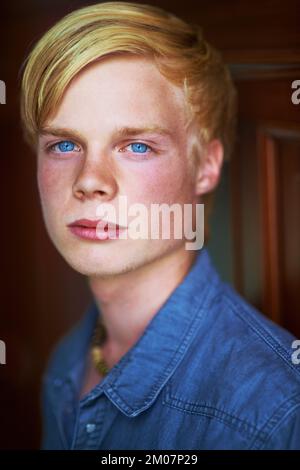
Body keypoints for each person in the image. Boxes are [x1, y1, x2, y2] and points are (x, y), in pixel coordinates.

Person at [20, 2, 300, 450]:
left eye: (136, 146)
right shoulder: (67, 361)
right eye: (65, 143)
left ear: (206, 167)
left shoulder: (273, 414)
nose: (90, 181)